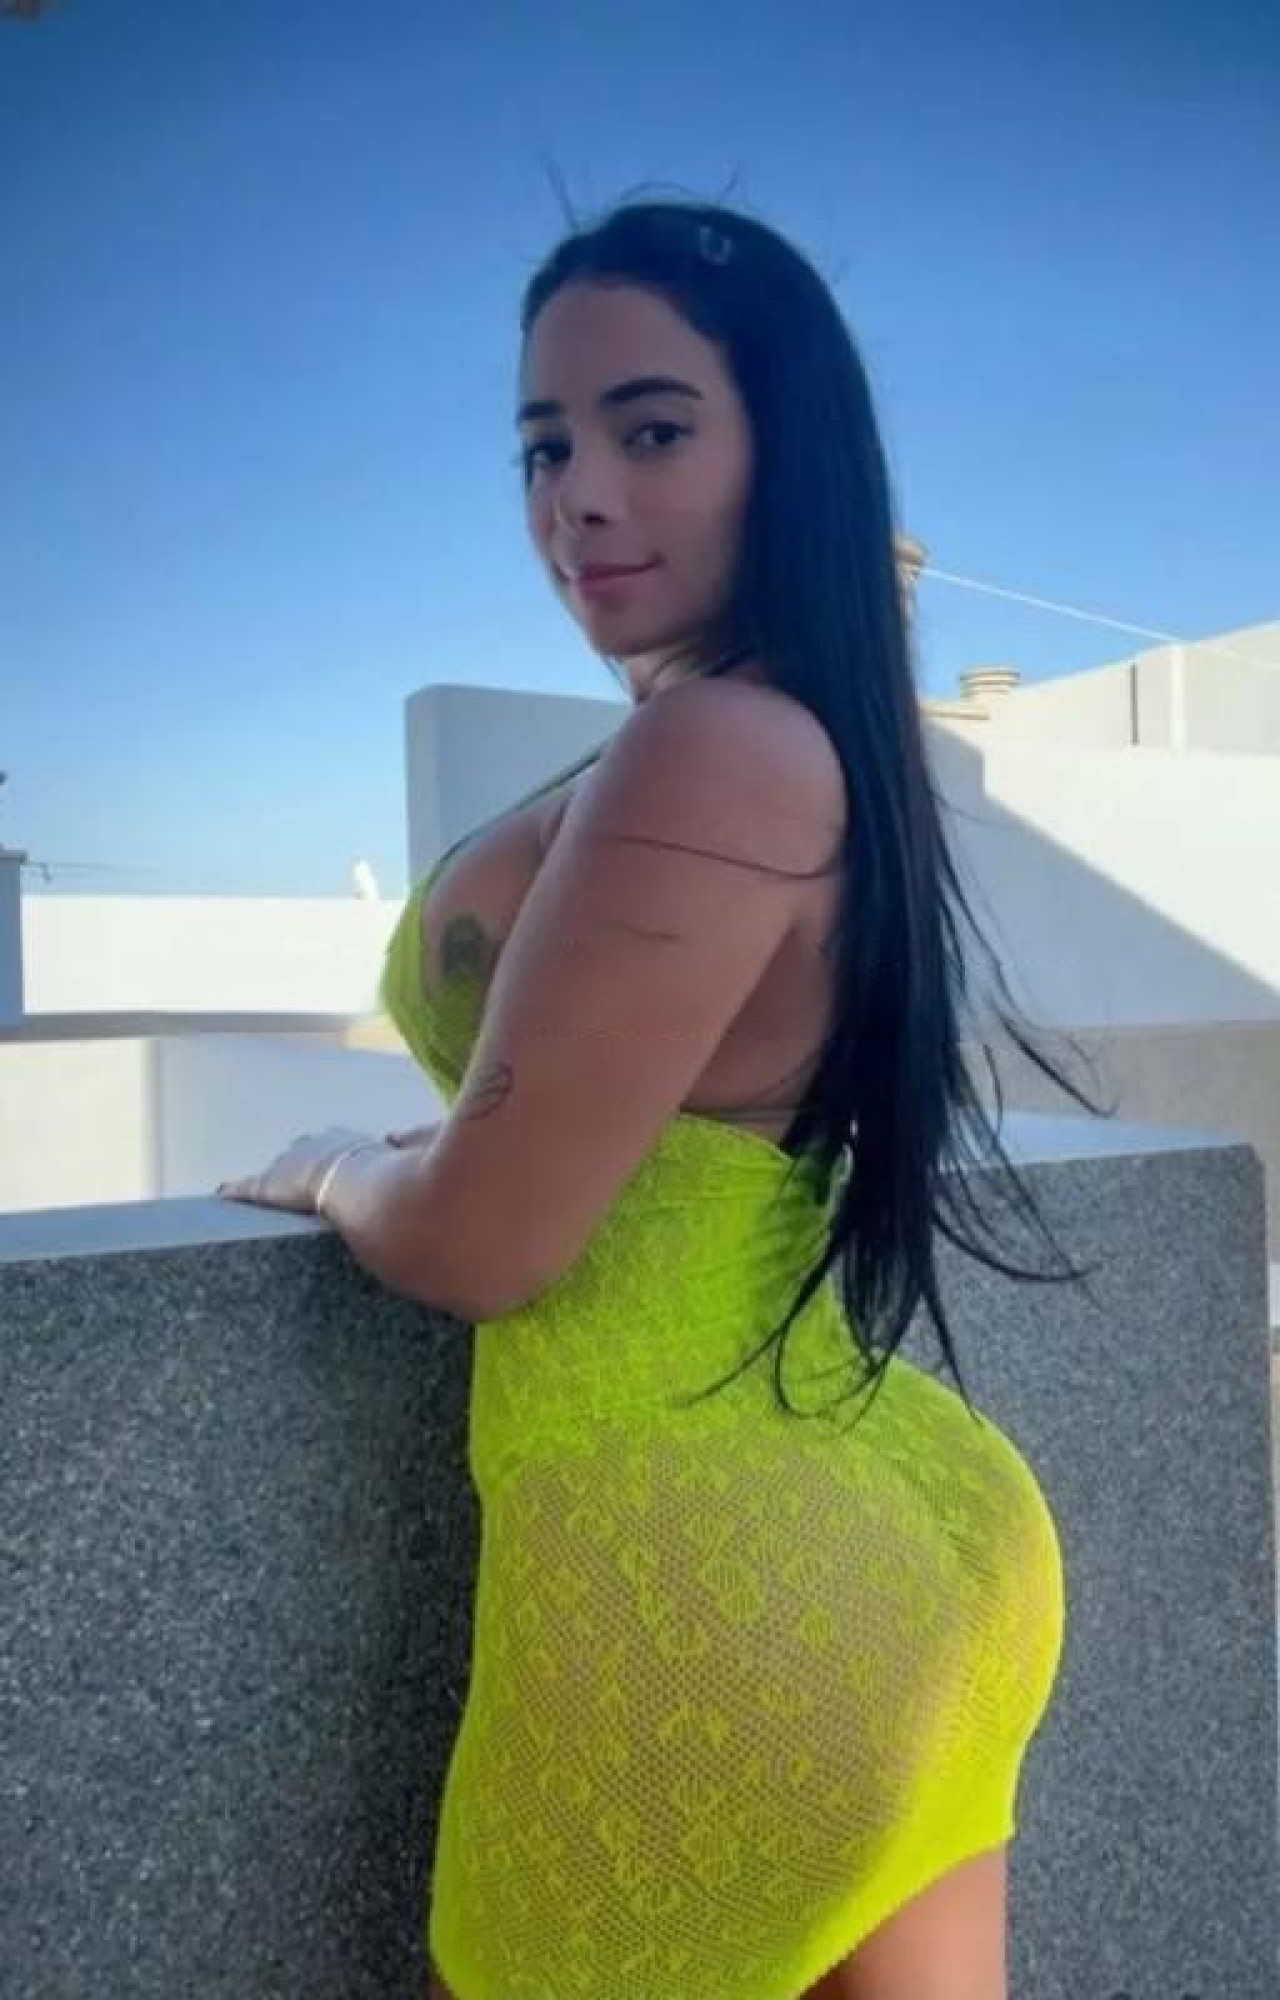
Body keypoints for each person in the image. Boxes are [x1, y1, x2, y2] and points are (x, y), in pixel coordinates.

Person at [221, 195, 1111, 1999]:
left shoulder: (709, 749)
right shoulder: (810, 736)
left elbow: (483, 1247)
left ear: (787, 450)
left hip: (689, 1586)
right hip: (895, 1551)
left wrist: (336, 1170)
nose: (579, 497)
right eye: (545, 446)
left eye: (650, 430)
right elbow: (663, 1128)